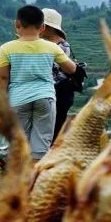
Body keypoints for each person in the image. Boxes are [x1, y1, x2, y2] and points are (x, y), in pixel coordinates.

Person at [0, 5, 78, 159]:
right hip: (45, 99)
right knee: (41, 147)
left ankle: (21, 180)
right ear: (42, 27)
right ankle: (36, 180)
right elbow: (72, 69)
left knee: (20, 146)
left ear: (17, 24)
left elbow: (2, 78)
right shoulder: (52, 47)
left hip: (18, 100)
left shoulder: (6, 48)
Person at [39, 9, 75, 141]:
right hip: (47, 92)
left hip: (60, 91)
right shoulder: (44, 43)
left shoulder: (62, 46)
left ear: (48, 28)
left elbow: (50, 70)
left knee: (55, 130)